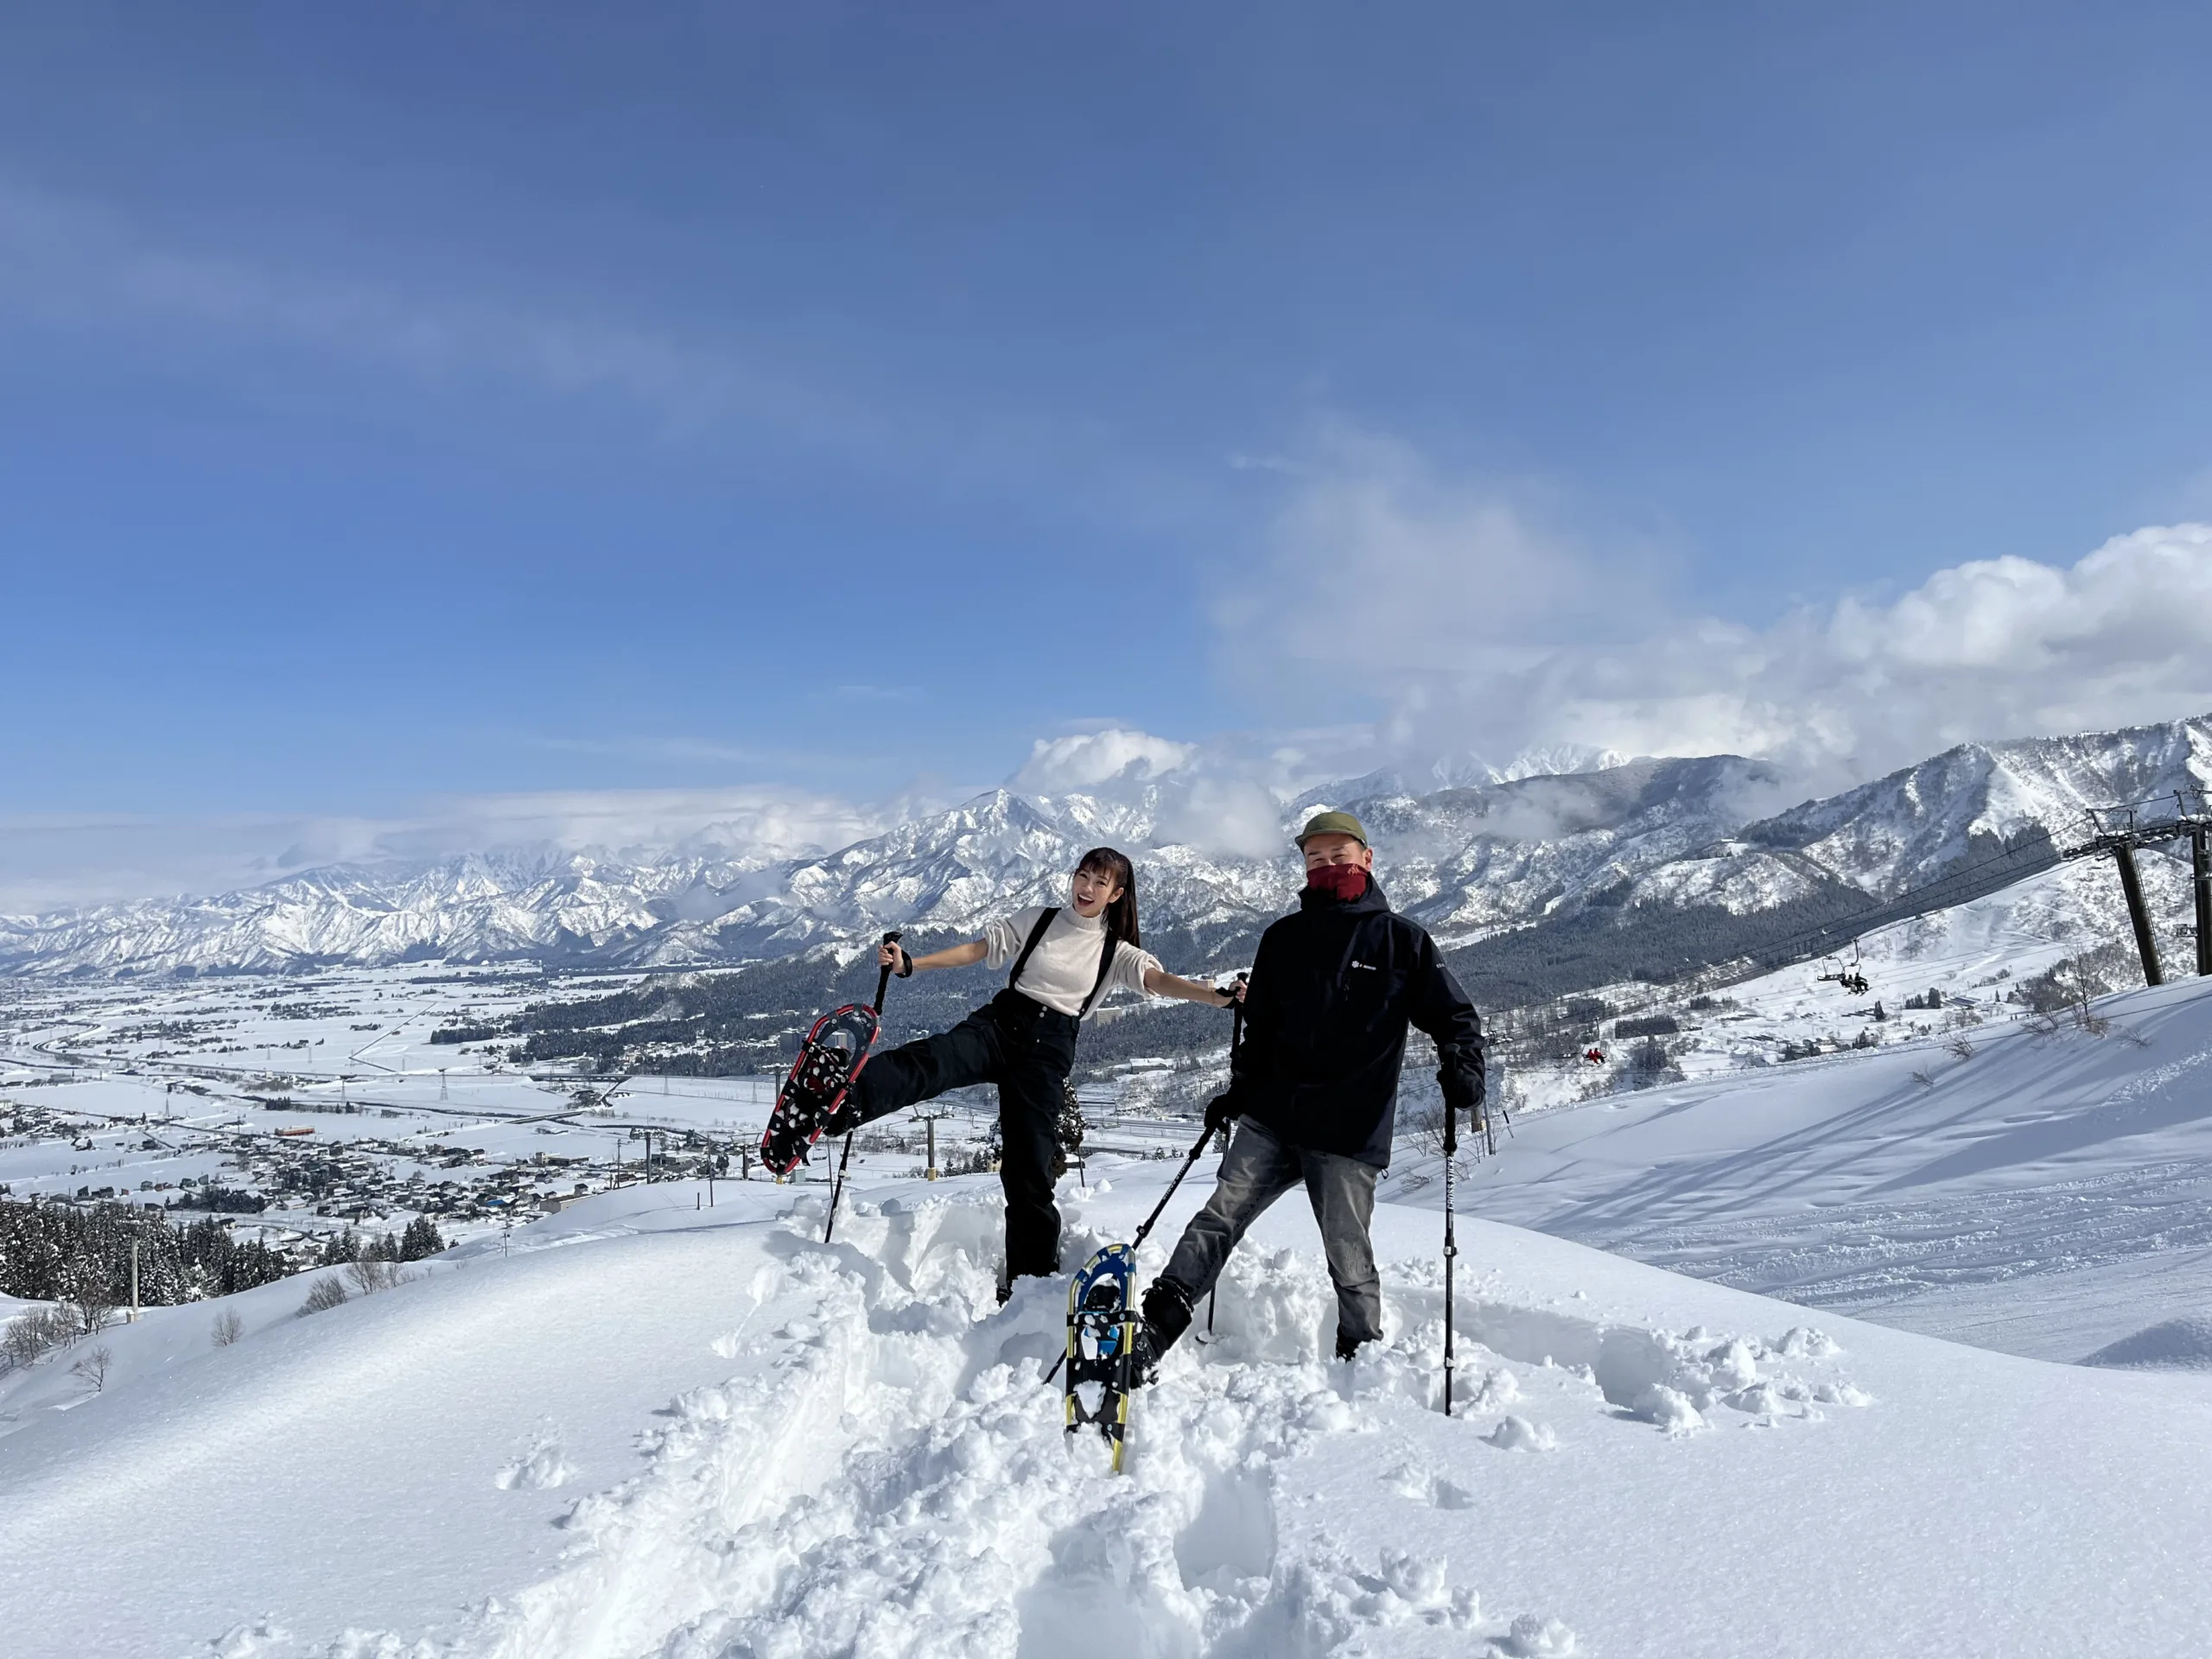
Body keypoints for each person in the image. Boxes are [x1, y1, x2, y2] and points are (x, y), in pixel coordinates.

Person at [1135, 810, 1484, 1370]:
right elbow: (1263, 1028)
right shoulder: (1284, 938)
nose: (1326, 867)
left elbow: (1455, 1018)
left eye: (1338, 856)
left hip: (1349, 1128)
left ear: (1366, 859)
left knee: (1348, 1255)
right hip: (1273, 1116)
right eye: (1314, 858)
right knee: (1219, 1215)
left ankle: (1361, 1355)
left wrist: (1463, 1066)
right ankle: (1155, 1328)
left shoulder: (1402, 941)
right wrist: (1240, 1090)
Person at [838, 846, 1237, 1294]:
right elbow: (977, 949)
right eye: (1082, 875)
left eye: (1099, 882)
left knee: (1029, 1170)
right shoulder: (1041, 920)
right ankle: (840, 1101)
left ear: (1116, 894)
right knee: (932, 1061)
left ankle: (1030, 1284)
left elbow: (1158, 981)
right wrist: (911, 964)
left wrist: (1214, 995)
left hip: (1047, 1053)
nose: (1086, 887)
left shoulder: (1116, 952)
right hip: (1001, 1024)